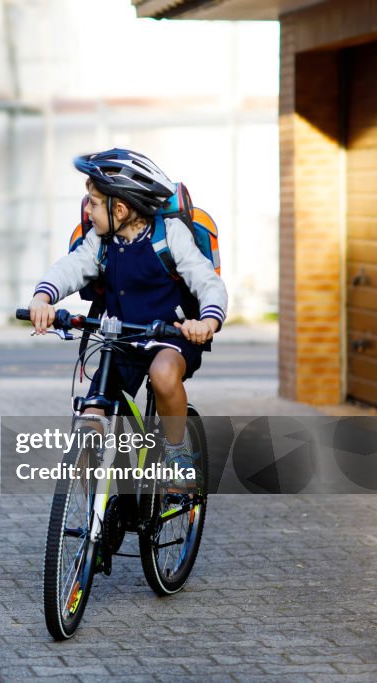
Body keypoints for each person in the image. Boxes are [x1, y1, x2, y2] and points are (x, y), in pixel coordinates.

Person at [28, 149, 228, 490]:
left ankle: (178, 453)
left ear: (119, 209)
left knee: (162, 375)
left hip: (173, 336)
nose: (87, 212)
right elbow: (71, 267)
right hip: (120, 340)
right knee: (91, 418)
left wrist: (206, 322)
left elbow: (207, 282)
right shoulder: (100, 242)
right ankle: (103, 509)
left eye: (92, 203)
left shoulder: (170, 235)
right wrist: (43, 296)